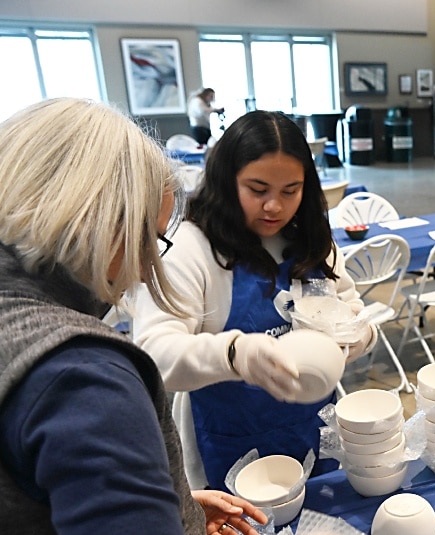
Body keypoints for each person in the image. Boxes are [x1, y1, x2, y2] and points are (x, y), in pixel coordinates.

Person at [0, 98, 329, 535]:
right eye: (144, 238)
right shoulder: (75, 371)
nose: (141, 271)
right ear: (88, 217)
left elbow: (19, 503)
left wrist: (167, 509)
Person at [133, 110, 373, 491]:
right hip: (229, 445)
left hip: (314, 433)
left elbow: (349, 305)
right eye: (257, 190)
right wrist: (235, 355)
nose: (274, 207)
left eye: (290, 191)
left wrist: (360, 336)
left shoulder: (310, 241)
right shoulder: (191, 249)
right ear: (228, 182)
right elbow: (152, 357)